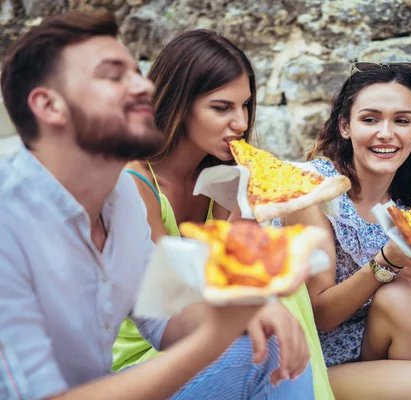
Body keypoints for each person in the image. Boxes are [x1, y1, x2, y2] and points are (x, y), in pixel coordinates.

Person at [0, 11, 312, 399]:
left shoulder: (121, 202)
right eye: (114, 76)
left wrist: (243, 307)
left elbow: (168, 317)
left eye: (137, 73)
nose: (144, 88)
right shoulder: (8, 221)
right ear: (49, 106)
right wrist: (219, 331)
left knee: (270, 340)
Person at [110, 28, 332, 399]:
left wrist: (253, 205)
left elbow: (241, 273)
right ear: (179, 105)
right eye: (222, 107)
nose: (242, 123)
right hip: (144, 362)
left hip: (214, 340)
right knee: (269, 327)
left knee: (275, 295)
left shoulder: (223, 178)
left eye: (245, 106)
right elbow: (169, 299)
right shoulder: (132, 182)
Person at [276, 62, 411, 399]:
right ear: (345, 125)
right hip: (314, 364)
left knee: (406, 295)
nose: (386, 133)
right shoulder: (314, 191)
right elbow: (320, 315)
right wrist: (388, 261)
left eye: (401, 120)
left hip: (377, 348)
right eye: (370, 119)